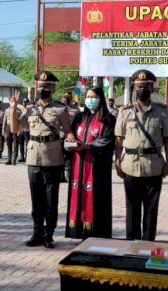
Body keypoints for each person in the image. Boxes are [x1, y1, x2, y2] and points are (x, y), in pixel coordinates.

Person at [10, 71, 75, 249]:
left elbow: (68, 130)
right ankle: (37, 233)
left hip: (53, 158)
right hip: (33, 158)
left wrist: (69, 137)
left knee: (50, 200)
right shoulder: (30, 109)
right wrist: (14, 107)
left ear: (53, 88)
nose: (43, 89)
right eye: (40, 86)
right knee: (36, 199)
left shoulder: (61, 109)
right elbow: (15, 128)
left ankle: (49, 235)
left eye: (46, 87)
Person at [114, 69, 168, 241]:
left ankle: (148, 244)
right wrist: (117, 161)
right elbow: (119, 140)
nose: (141, 90)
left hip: (154, 165)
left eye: (145, 86)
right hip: (130, 165)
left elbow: (167, 140)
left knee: (151, 208)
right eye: (138, 87)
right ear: (133, 89)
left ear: (152, 88)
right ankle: (131, 243)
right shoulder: (125, 112)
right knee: (131, 208)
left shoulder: (162, 112)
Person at [66, 86, 116, 239]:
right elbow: (72, 134)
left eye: (93, 97)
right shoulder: (80, 117)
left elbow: (106, 141)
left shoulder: (108, 119)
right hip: (78, 164)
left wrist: (87, 146)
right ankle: (78, 231)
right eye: (88, 97)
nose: (90, 100)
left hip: (96, 166)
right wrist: (70, 141)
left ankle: (96, 232)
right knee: (78, 192)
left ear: (100, 99)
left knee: (96, 197)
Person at [62, 91, 81, 182]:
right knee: (60, 156)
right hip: (59, 135)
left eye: (68, 97)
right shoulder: (58, 108)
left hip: (71, 136)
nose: (66, 99)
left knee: (69, 156)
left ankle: (68, 175)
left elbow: (78, 123)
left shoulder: (76, 109)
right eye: (64, 97)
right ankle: (61, 176)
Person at [3, 101, 22, 165]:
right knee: (8, 143)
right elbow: (4, 120)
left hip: (15, 127)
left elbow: (20, 121)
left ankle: (14, 159)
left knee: (16, 144)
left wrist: (19, 129)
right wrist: (3, 130)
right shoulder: (7, 110)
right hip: (8, 127)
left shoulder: (19, 111)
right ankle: (9, 159)